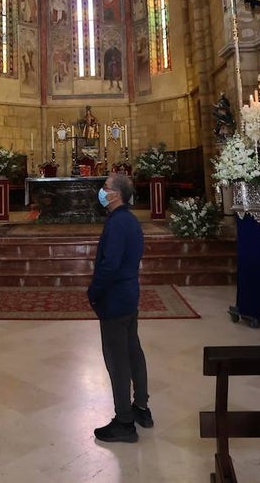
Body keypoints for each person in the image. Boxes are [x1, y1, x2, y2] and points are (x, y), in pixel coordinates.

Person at [88, 172, 151, 444]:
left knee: (117, 360)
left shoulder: (116, 224)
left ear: (116, 195)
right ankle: (141, 408)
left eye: (105, 187)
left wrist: (94, 292)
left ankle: (125, 421)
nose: (102, 191)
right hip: (129, 296)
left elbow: (109, 265)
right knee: (133, 351)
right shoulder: (130, 220)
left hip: (114, 299)